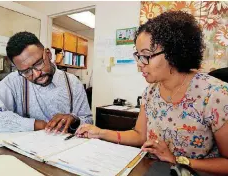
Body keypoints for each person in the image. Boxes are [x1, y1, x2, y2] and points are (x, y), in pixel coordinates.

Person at [75, 11, 228, 175]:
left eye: (146, 56)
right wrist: (100, 132)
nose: (140, 64)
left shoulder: (215, 94)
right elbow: (139, 136)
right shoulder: (150, 93)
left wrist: (177, 160)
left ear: (173, 53)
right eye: (138, 56)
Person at [0, 31, 93, 133]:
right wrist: (35, 124)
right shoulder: (14, 81)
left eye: (38, 63)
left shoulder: (73, 83)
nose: (36, 74)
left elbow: (88, 121)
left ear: (48, 54)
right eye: (26, 71)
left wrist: (74, 120)